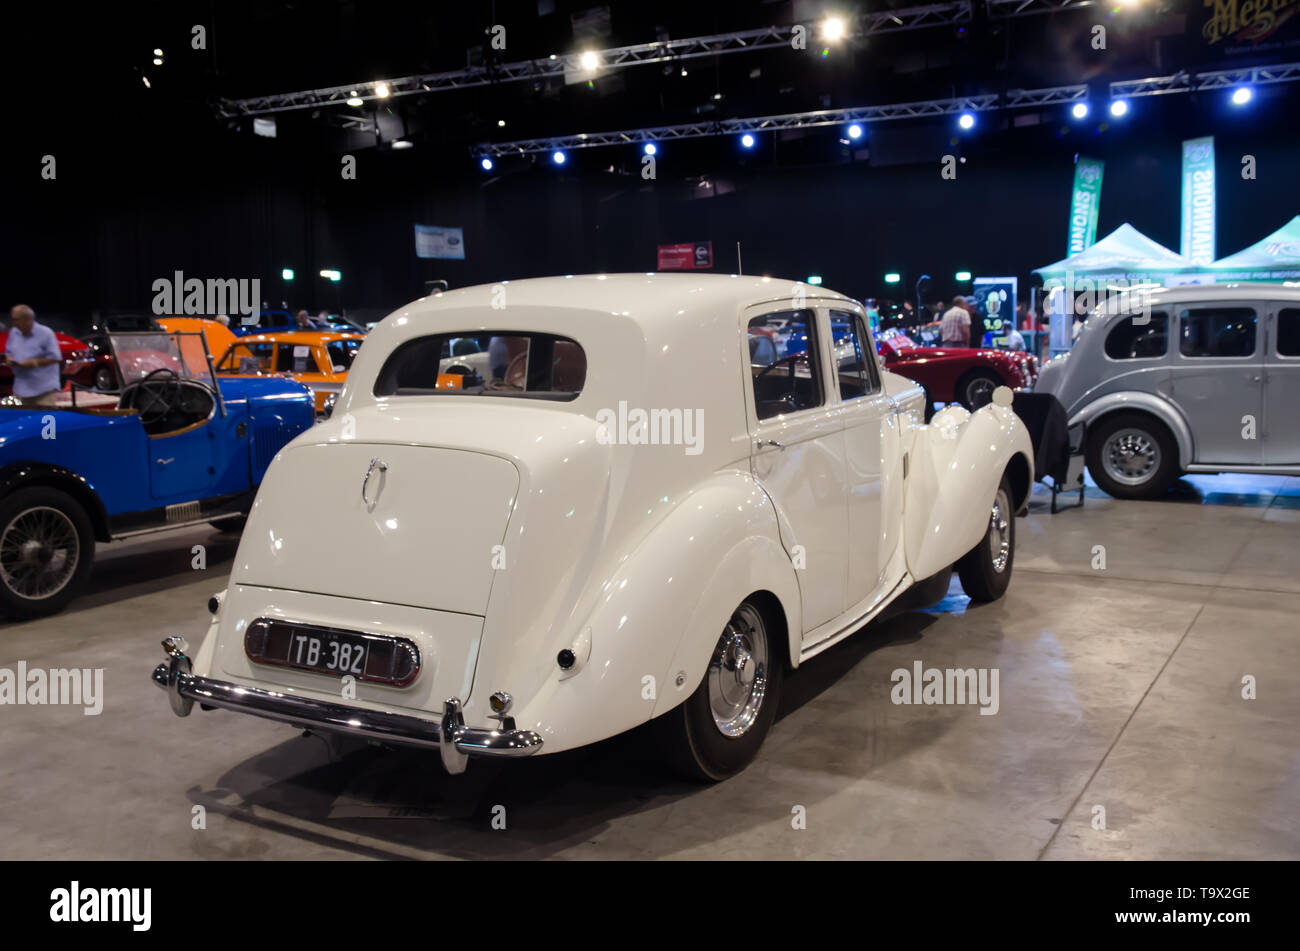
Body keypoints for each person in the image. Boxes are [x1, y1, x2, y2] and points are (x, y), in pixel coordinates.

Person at [4, 304, 63, 407]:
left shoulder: (46, 333)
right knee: (22, 421)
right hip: (20, 389)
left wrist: (33, 363)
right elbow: (8, 351)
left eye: (16, 320)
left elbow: (55, 357)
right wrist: (9, 359)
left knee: (42, 421)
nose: (14, 323)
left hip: (43, 390)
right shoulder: (14, 332)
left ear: (28, 319)